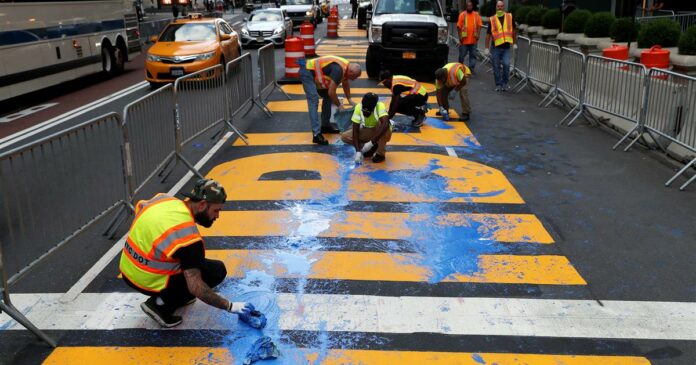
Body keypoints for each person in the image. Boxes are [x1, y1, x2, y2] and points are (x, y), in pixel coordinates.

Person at [119, 179, 254, 328]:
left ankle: (178, 296)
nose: (217, 216)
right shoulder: (187, 238)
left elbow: (141, 207)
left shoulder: (164, 200)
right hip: (146, 279)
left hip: (127, 268)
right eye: (216, 210)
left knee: (194, 263)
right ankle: (160, 305)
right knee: (216, 271)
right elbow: (196, 287)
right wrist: (230, 306)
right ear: (202, 205)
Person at [299, 55, 362, 145]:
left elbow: (345, 83)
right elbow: (331, 92)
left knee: (327, 98)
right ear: (351, 72)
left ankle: (325, 126)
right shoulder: (339, 70)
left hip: (313, 72)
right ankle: (316, 135)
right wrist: (340, 106)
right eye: (354, 77)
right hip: (307, 71)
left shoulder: (346, 67)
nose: (354, 79)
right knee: (314, 100)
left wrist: (350, 99)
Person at [341, 92, 392, 164]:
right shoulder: (358, 107)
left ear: (373, 108)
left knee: (383, 125)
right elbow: (355, 130)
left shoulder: (379, 106)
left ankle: (380, 153)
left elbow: (386, 124)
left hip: (383, 132)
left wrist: (371, 143)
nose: (365, 113)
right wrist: (358, 151)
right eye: (364, 110)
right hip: (369, 130)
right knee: (345, 137)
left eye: (368, 111)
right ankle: (371, 147)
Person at [484, 1, 516, 92]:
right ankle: (498, 84)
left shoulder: (509, 17)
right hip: (496, 48)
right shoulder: (493, 19)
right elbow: (488, 35)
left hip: (506, 47)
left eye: (501, 6)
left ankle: (505, 83)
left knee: (506, 65)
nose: (500, 8)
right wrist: (486, 48)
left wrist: (515, 43)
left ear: (504, 7)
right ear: (496, 7)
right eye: (498, 6)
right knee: (496, 66)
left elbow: (514, 31)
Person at [456, 1, 482, 72]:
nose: (469, 7)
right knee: (462, 56)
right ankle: (460, 68)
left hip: (473, 40)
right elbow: (458, 26)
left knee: (473, 56)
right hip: (464, 40)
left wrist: (478, 35)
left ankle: (471, 69)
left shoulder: (476, 15)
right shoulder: (462, 15)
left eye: (470, 6)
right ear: (466, 7)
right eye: (468, 6)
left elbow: (480, 26)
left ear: (472, 7)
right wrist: (460, 37)